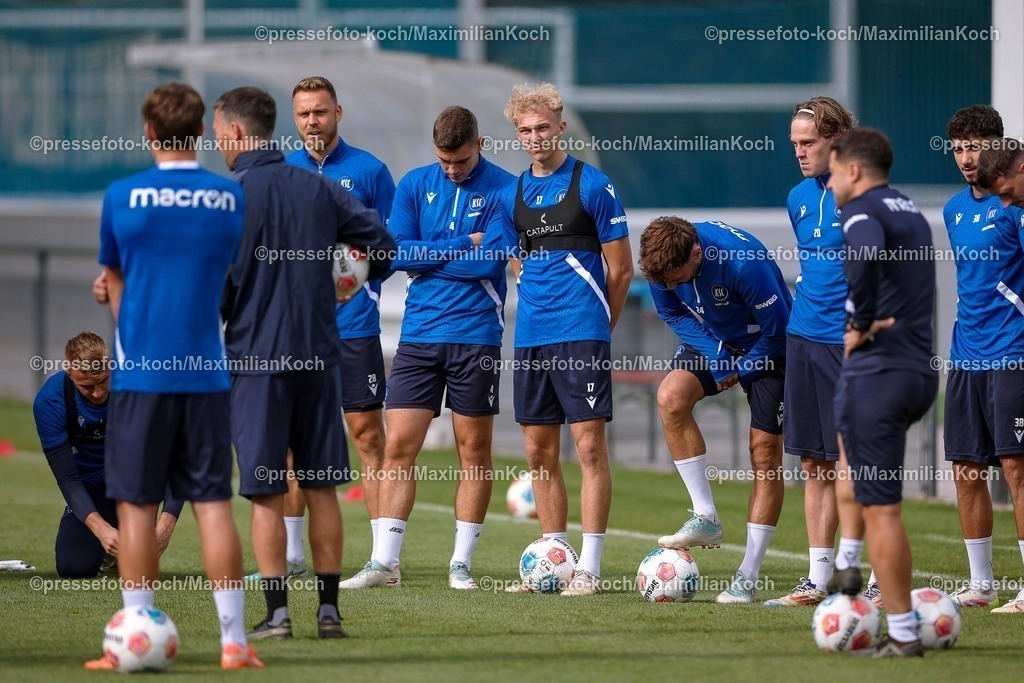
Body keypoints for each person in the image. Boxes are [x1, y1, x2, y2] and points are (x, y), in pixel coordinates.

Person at [90, 82, 261, 670]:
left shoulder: (121, 195)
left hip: (141, 375)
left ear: (149, 132)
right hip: (206, 375)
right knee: (213, 506)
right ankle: (234, 643)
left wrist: (131, 322)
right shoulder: (229, 196)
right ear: (200, 132)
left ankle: (132, 635)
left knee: (136, 508)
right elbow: (229, 274)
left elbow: (114, 280)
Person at [214, 86, 395, 639]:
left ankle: (277, 615)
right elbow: (382, 248)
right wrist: (341, 285)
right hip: (319, 359)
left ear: (237, 132)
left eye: (218, 134)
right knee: (322, 488)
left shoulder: (230, 197)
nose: (218, 144)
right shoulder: (319, 188)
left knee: (268, 490)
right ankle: (329, 613)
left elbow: (218, 287)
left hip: (258, 366)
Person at [346, 106, 515, 590]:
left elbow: (488, 265)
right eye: (445, 161)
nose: (452, 169)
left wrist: (429, 255)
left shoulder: (507, 189)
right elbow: (395, 254)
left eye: (460, 160)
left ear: (480, 145)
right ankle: (385, 564)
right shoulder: (414, 184)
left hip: (476, 336)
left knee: (473, 450)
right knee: (398, 446)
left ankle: (460, 564)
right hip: (418, 336)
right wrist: (462, 243)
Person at [493, 82, 634, 595]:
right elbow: (515, 260)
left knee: (590, 448)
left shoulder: (593, 185)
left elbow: (622, 269)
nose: (535, 137)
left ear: (560, 127)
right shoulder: (511, 193)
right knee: (537, 453)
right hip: (531, 337)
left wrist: (599, 327)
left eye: (543, 128)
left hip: (581, 334)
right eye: (525, 130)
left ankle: (590, 569)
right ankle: (553, 562)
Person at [825, 127, 938, 657]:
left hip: (881, 372)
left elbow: (865, 253)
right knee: (849, 464)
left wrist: (858, 321)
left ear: (853, 170)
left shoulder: (861, 210)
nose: (829, 183)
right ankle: (847, 563)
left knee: (883, 511)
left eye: (832, 171)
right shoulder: (910, 209)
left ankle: (905, 635)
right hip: (915, 369)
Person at [639, 217, 791, 604]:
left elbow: (779, 330)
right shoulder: (663, 262)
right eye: (663, 282)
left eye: (676, 279)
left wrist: (741, 368)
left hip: (767, 345)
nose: (669, 286)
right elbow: (673, 313)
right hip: (717, 341)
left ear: (696, 253)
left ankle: (748, 576)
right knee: (671, 397)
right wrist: (718, 356)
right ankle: (706, 517)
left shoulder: (744, 263)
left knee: (764, 452)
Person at [765, 98, 865, 607]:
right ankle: (817, 578)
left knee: (854, 463)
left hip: (850, 346)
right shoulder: (798, 197)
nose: (799, 152)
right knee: (814, 463)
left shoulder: (866, 195)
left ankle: (866, 572)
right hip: (803, 339)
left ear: (837, 140)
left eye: (808, 143)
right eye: (795, 144)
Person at [940, 110, 1024, 612]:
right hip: (964, 356)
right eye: (958, 148)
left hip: (1013, 353)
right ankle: (981, 584)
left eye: (975, 146)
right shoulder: (953, 209)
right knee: (966, 470)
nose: (966, 158)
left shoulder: (1014, 204)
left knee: (1016, 468)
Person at [33, 332, 182, 578]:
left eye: (103, 381)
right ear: (69, 373)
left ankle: (134, 533)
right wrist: (101, 529)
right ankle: (112, 543)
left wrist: (166, 524)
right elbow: (68, 478)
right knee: (74, 568)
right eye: (86, 386)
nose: (98, 393)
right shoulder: (50, 401)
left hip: (138, 483)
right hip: (92, 487)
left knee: (137, 568)